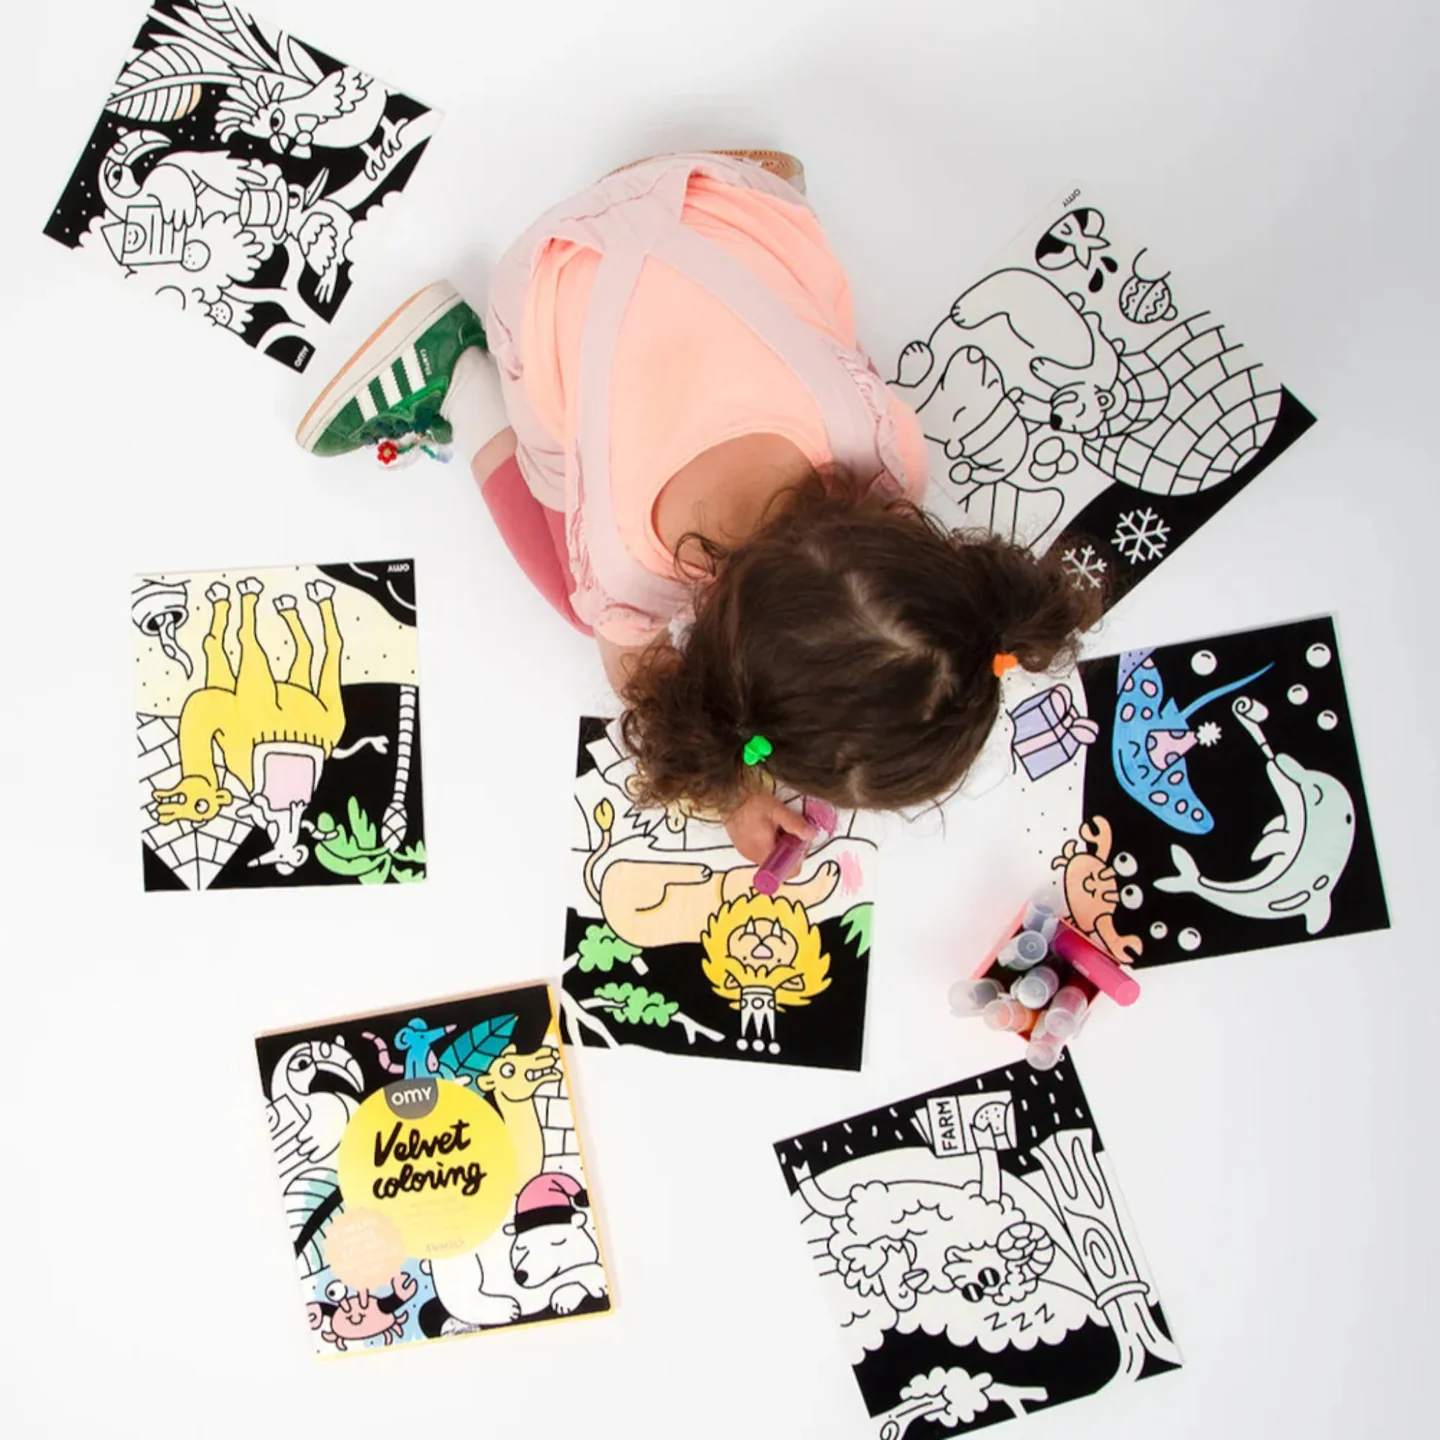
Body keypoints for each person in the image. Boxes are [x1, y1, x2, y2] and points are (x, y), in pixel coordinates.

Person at [297, 151, 1099, 861]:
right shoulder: (629, 566)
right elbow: (640, 676)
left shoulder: (888, 459)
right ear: (720, 678)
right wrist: (733, 793)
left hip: (722, 199)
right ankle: (460, 379)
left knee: (808, 323)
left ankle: (720, 189)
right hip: (550, 272)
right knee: (576, 596)